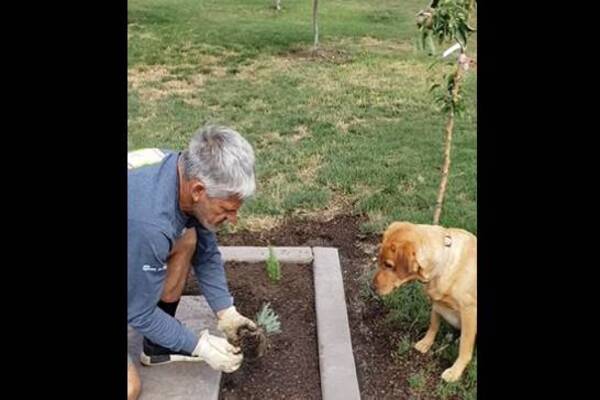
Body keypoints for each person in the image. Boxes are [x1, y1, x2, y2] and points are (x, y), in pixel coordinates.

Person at [127, 125, 258, 399]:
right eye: (227, 210)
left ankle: (157, 347)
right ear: (199, 190)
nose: (234, 219)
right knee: (130, 389)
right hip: (137, 233)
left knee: (188, 238)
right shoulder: (150, 223)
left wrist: (227, 312)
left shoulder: (183, 173)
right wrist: (199, 346)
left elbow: (206, 251)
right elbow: (139, 313)